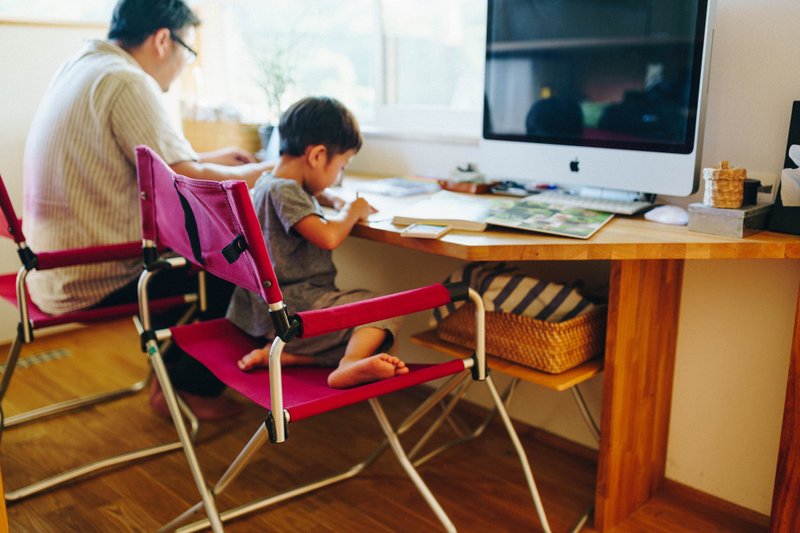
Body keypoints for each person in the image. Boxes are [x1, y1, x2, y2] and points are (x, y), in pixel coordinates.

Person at [22, 0, 273, 419]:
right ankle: (187, 389)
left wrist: (208, 158)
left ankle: (169, 378)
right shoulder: (126, 81)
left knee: (205, 254)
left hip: (45, 270)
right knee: (236, 263)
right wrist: (278, 169)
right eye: (188, 52)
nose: (185, 65)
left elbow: (147, 165)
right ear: (162, 40)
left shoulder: (83, 66)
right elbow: (182, 177)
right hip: (93, 275)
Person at [227, 96, 407, 389]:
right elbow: (329, 237)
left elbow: (301, 195)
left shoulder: (265, 183)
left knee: (366, 335)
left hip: (264, 313)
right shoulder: (286, 191)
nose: (338, 177)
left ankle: (291, 358)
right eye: (342, 166)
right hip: (297, 311)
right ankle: (347, 364)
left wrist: (331, 196)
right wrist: (353, 209)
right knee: (387, 309)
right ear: (318, 156)